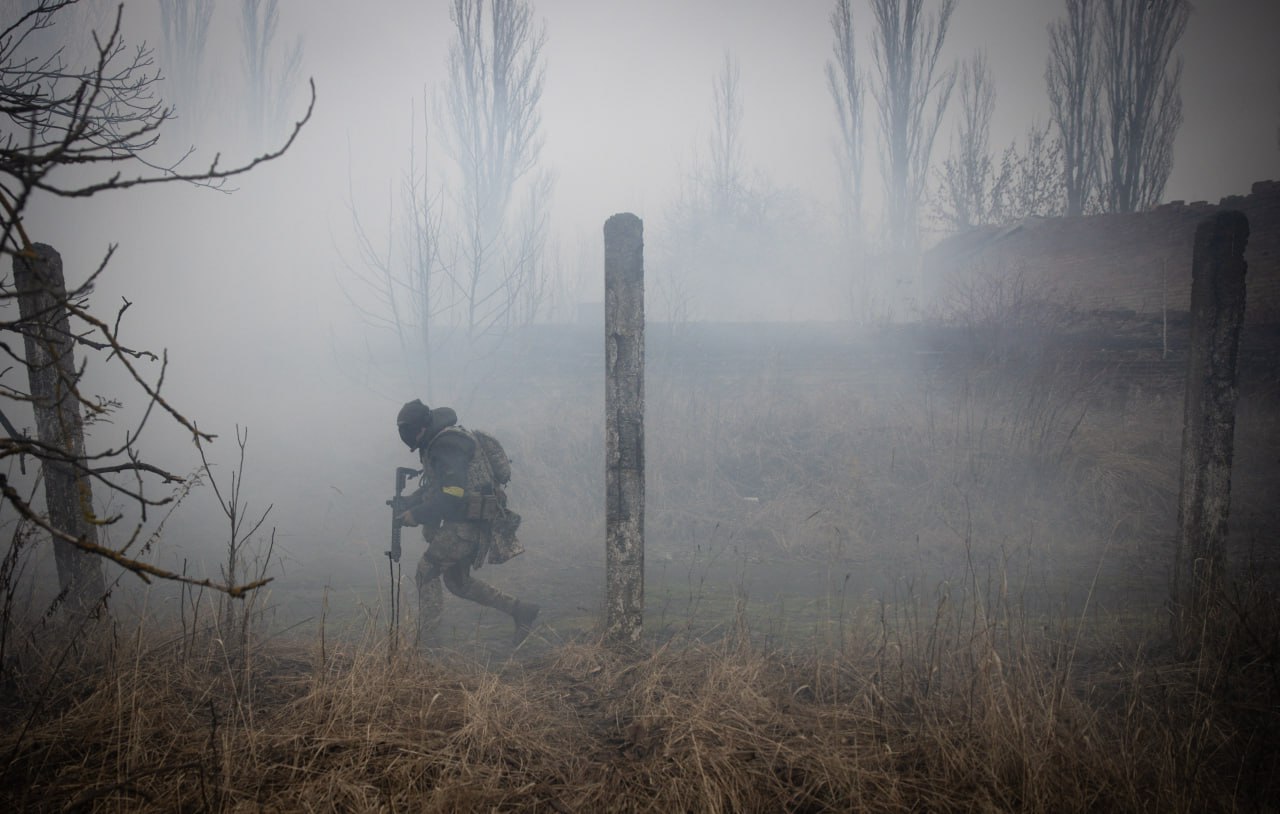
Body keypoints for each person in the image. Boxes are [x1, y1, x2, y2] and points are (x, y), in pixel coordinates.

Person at [394, 399, 539, 647]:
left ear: (421, 427)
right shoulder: (440, 440)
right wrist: (411, 502)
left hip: (466, 525)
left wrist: (417, 515)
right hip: (465, 521)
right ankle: (521, 610)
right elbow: (438, 486)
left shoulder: (447, 444)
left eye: (410, 433)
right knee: (457, 582)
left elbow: (452, 494)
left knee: (426, 572)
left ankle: (427, 644)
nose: (410, 439)